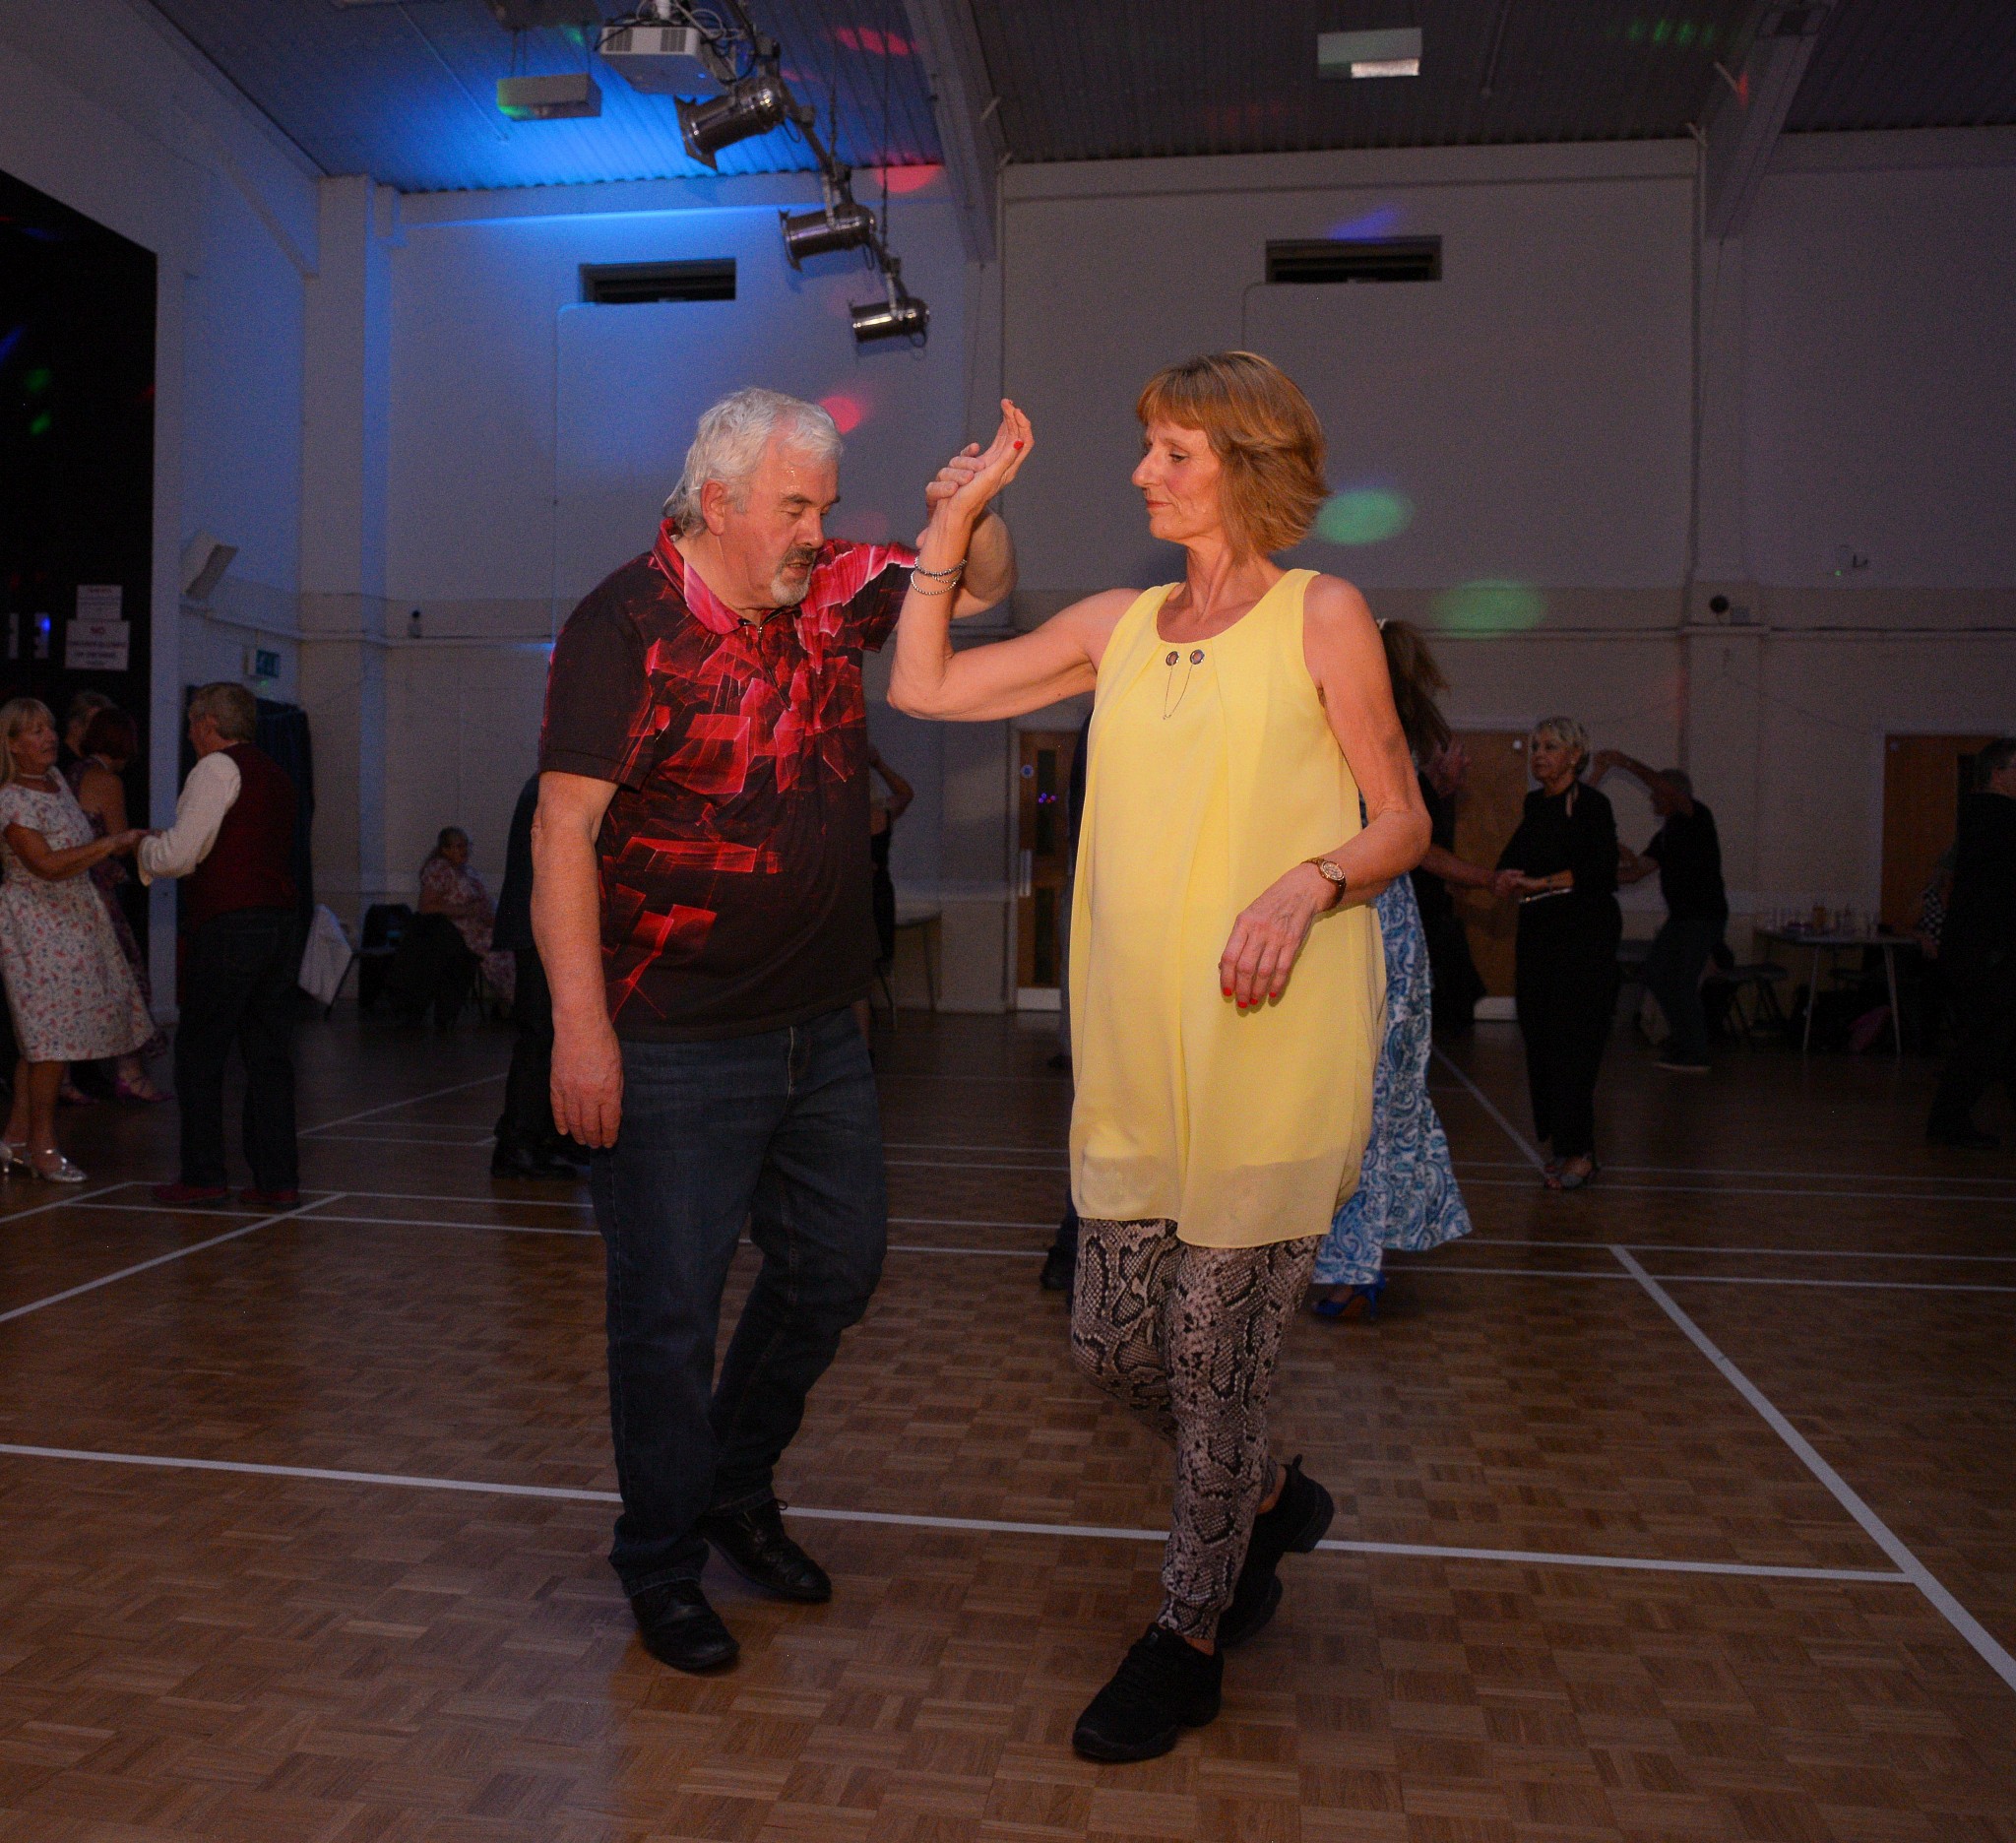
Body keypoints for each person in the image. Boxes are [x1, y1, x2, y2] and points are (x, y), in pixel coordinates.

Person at [889, 351, 1427, 1763]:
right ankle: (1269, 1498)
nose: (1143, 473)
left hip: (1274, 1041)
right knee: (1111, 1345)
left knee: (1211, 1357)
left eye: (1173, 452)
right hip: (1136, 1051)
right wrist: (949, 528)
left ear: (1247, 465)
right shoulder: (1115, 626)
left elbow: (1400, 817)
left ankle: (1185, 1639)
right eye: (1147, 448)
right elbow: (925, 685)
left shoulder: (1322, 614)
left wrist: (1310, 881)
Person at [535, 387, 1018, 1676]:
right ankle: (660, 1562)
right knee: (667, 1319)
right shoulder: (622, 625)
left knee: (835, 1270)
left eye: (825, 506)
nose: (818, 531)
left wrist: (971, 511)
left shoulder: (832, 593)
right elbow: (562, 830)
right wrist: (580, 1032)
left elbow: (977, 592)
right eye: (796, 508)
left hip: (819, 1030)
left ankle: (732, 1484)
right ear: (717, 504)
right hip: (672, 1038)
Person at [1311, 621, 1474, 1319]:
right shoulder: (1385, 736)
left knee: (1363, 1103)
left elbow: (1403, 842)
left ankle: (1355, 1269)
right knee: (1368, 1099)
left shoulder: (1361, 738)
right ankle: (1352, 1264)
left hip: (1367, 923)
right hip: (1376, 922)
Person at [142, 682, 303, 1208]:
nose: (190, 735)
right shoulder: (276, 773)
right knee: (269, 1057)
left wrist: (143, 847)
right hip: (280, 923)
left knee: (200, 1053)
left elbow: (179, 856)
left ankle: (204, 1174)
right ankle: (277, 1180)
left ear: (209, 723)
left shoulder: (216, 768)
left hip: (231, 924)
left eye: (192, 724)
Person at [0, 698, 152, 1180]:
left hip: (74, 918)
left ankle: (15, 1138)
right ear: (11, 744)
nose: (48, 737)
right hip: (37, 924)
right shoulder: (11, 798)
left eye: (49, 728)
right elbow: (44, 865)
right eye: (34, 731)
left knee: (41, 1041)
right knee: (49, 1041)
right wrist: (110, 843)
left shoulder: (56, 780)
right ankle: (43, 1147)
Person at [1492, 717, 1621, 1190]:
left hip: (1583, 937)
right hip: (1540, 934)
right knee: (1541, 1038)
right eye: (1535, 747)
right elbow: (1515, 858)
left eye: (1550, 747)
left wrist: (1538, 883)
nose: (1539, 755)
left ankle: (1582, 1154)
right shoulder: (1536, 804)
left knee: (1574, 1045)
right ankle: (1564, 1146)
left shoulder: (1591, 806)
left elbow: (1598, 871)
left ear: (1574, 755)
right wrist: (1503, 878)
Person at [61, 706, 168, 1101]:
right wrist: (154, 839)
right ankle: (131, 1073)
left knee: (72, 987)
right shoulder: (106, 780)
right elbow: (119, 843)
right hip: (96, 892)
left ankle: (63, 1079)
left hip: (64, 891)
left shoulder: (67, 774)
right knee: (123, 980)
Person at [1597, 752, 1728, 1073]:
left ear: (1673, 794)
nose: (1652, 798)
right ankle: (1685, 1043)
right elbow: (1635, 872)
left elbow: (1663, 786)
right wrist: (1589, 876)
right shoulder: (1665, 835)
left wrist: (1624, 763)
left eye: (1656, 793)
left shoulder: (1696, 817)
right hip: (1682, 919)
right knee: (1656, 973)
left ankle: (1695, 1053)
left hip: (1703, 916)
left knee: (1681, 981)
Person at [490, 773, 583, 1179]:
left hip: (539, 926)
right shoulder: (557, 784)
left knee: (547, 1039)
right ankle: (520, 1144)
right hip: (543, 928)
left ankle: (542, 1137)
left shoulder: (548, 782)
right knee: (540, 1039)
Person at [1925, 736, 2016, 1148]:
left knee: (1998, 1038)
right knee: (1988, 1039)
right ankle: (1947, 1121)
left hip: (1981, 948)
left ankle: (1947, 1120)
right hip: (1988, 952)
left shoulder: (1985, 816)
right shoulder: (1996, 817)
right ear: (1999, 773)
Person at [1414, 741, 1491, 1035]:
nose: (1467, 761)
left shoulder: (1439, 799)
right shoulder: (1418, 794)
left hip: (1433, 916)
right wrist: (1488, 879)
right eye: (1460, 754)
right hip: (1419, 922)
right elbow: (1426, 853)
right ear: (1439, 759)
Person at [418, 827, 515, 1014]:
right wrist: (466, 910)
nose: (465, 850)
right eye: (459, 846)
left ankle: (519, 1004)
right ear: (445, 850)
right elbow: (426, 907)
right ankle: (514, 1002)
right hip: (464, 933)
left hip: (485, 924)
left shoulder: (467, 870)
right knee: (504, 951)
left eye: (467, 845)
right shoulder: (440, 870)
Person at [852, 748, 914, 1039]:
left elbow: (906, 794)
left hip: (861, 899)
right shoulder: (881, 815)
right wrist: (879, 765)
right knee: (865, 971)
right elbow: (905, 794)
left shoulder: (848, 820)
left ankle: (861, 1041)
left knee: (858, 973)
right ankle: (863, 1043)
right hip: (876, 896)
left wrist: (877, 763)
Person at [58, 690, 114, 775]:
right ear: (75, 724)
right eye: (95, 723)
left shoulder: (90, 762)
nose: (102, 730)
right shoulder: (56, 761)